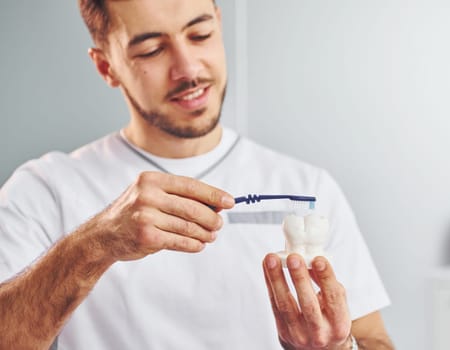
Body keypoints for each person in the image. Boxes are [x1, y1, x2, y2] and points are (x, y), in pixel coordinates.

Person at [0, 0, 394, 349]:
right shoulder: (44, 190)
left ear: (219, 25)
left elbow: (374, 339)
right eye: (152, 50)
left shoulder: (308, 189)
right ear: (107, 66)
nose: (187, 69)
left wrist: (336, 348)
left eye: (200, 34)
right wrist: (95, 245)